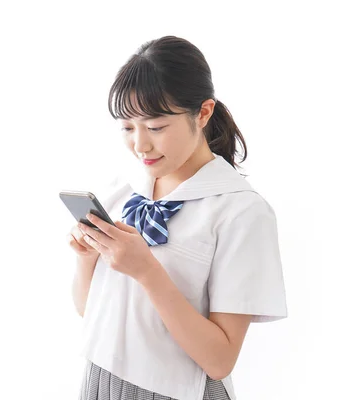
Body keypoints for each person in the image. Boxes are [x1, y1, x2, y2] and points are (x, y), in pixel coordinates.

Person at [68, 36, 288, 400]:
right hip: (100, 385)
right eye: (127, 128)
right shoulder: (122, 193)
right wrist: (86, 259)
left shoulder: (242, 212)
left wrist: (147, 271)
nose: (140, 145)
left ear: (202, 113)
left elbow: (219, 361)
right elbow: (90, 313)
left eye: (155, 127)